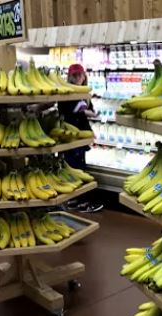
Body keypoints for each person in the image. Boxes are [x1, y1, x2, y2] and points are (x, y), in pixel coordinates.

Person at [58, 64, 103, 213]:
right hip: (69, 135)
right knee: (74, 168)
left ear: (84, 76)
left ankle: (81, 199)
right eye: (74, 75)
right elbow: (77, 109)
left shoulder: (84, 92)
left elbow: (88, 109)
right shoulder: (67, 92)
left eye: (80, 75)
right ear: (69, 77)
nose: (77, 78)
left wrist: (92, 112)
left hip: (80, 135)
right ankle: (81, 199)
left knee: (78, 167)